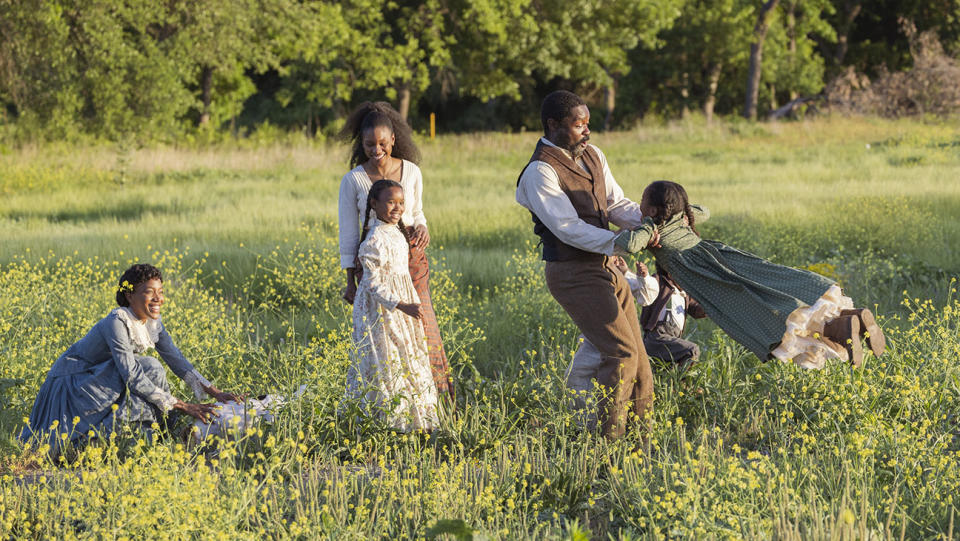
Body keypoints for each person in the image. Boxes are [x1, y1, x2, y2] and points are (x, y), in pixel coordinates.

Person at [614, 180, 886, 368]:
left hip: (708, 280)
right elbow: (704, 211)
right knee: (769, 287)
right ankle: (850, 318)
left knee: (758, 313)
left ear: (651, 210)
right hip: (723, 258)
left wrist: (642, 230)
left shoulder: (651, 228)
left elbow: (629, 245)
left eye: (641, 203)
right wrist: (686, 212)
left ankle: (834, 328)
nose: (638, 207)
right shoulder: (683, 219)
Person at [515, 90, 660, 439]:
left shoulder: (593, 155)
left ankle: (641, 440)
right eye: (578, 125)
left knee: (638, 354)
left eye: (587, 124)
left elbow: (615, 204)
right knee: (621, 352)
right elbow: (568, 229)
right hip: (572, 273)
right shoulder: (539, 172)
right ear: (553, 125)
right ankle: (607, 441)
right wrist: (623, 241)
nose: (586, 132)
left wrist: (648, 224)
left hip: (607, 266)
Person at [19, 264, 242, 455]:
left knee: (151, 368)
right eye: (149, 292)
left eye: (161, 291)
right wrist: (183, 406)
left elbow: (176, 359)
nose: (158, 299)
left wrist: (215, 392)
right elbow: (131, 374)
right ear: (129, 296)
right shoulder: (117, 321)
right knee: (150, 367)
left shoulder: (152, 322)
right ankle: (117, 436)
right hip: (75, 384)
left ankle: (154, 434)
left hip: (103, 378)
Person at [338, 101, 454, 405]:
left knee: (422, 326)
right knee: (383, 335)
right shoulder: (353, 180)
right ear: (360, 144)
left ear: (393, 140)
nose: (376, 150)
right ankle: (386, 404)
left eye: (382, 143)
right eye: (369, 144)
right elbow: (349, 233)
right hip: (375, 265)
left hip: (412, 261)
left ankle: (434, 401)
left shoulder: (411, 171)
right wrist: (350, 281)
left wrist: (423, 227)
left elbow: (416, 212)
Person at [343, 179, 440, 431]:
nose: (397, 208)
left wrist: (408, 302)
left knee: (407, 355)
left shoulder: (396, 232)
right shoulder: (374, 240)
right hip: (381, 310)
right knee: (385, 358)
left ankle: (415, 419)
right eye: (390, 202)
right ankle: (386, 422)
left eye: (401, 203)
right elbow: (372, 282)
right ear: (374, 204)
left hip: (401, 304)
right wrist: (401, 304)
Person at [566, 257, 658, 430]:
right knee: (575, 375)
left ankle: (625, 426)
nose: (614, 258)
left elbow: (647, 298)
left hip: (620, 341)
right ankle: (586, 426)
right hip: (592, 341)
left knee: (623, 380)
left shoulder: (620, 277)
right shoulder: (588, 275)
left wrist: (635, 275)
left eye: (615, 255)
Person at [639, 266, 708, 371]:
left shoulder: (685, 293)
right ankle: (681, 383)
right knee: (691, 350)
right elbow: (648, 285)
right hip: (657, 336)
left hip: (673, 338)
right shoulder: (660, 282)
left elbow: (696, 310)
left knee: (663, 375)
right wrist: (644, 276)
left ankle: (675, 383)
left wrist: (711, 307)